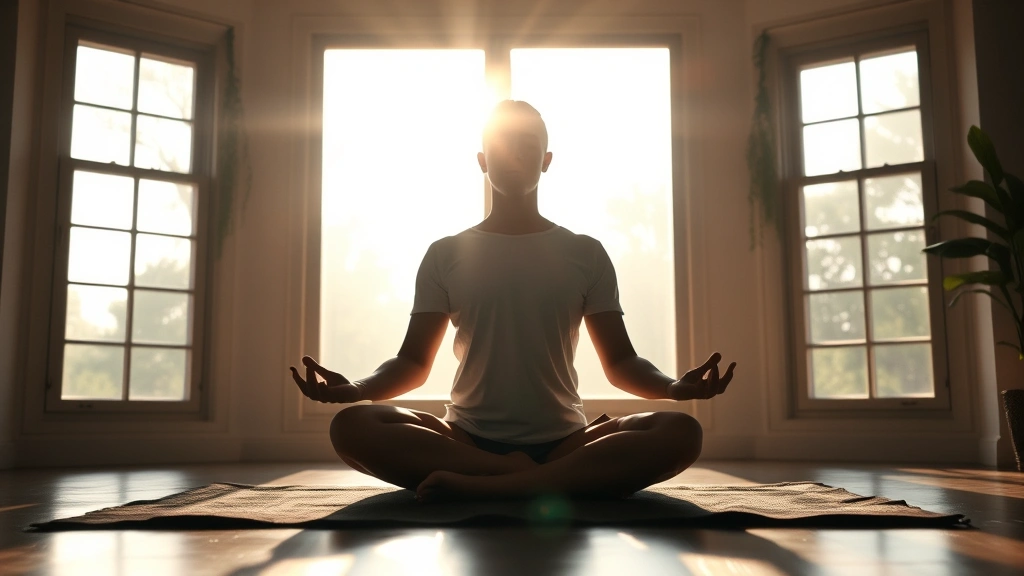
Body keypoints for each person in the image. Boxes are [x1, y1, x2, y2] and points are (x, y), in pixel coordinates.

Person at [290, 100, 736, 503]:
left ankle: (496, 485)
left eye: (528, 146)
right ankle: (528, 477)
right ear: (483, 162)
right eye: (502, 146)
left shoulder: (585, 252)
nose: (515, 154)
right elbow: (412, 362)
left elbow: (621, 363)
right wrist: (360, 390)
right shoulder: (445, 254)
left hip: (566, 440)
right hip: (465, 439)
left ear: (546, 162)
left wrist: (676, 388)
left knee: (680, 432)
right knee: (352, 427)